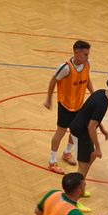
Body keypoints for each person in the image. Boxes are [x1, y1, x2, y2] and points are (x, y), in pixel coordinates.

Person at [68, 75, 108, 212]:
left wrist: (102, 129)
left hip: (82, 129)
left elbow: (93, 117)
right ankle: (73, 200)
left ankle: (81, 187)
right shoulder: (102, 104)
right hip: (81, 132)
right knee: (82, 167)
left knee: (90, 158)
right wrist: (98, 148)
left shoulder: (101, 94)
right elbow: (91, 126)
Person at [44, 40, 93, 172]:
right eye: (85, 54)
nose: (87, 57)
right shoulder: (65, 67)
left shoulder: (87, 64)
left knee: (75, 131)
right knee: (60, 132)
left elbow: (87, 79)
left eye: (88, 54)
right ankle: (52, 161)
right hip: (65, 105)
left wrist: (93, 94)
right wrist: (48, 99)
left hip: (79, 105)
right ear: (76, 53)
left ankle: (67, 153)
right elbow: (53, 80)